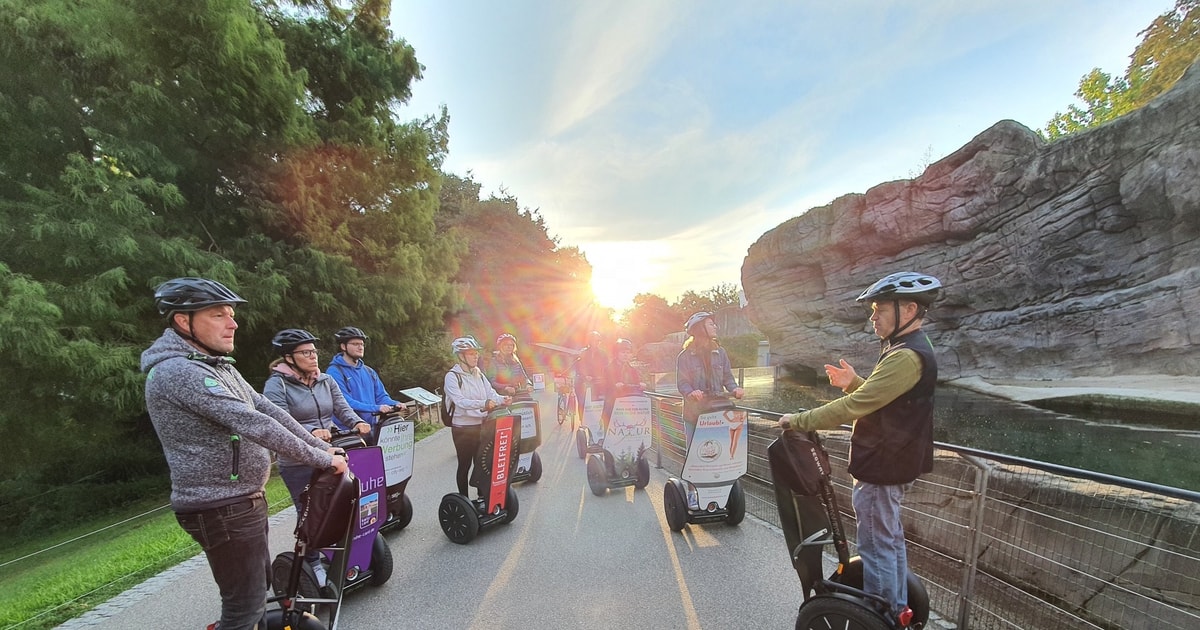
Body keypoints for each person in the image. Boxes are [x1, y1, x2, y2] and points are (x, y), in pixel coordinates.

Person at [142, 278, 347, 630]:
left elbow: (269, 410)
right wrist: (323, 460)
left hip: (240, 500)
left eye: (232, 314)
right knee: (243, 608)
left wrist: (322, 447)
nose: (232, 322)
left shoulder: (218, 366)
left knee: (254, 594)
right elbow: (253, 423)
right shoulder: (180, 372)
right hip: (221, 506)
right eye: (218, 314)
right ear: (182, 321)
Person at [777, 271, 941, 624]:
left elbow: (855, 408)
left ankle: (884, 616)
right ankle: (898, 609)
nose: (873, 316)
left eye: (881, 309)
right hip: (895, 462)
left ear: (909, 308)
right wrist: (854, 383)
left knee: (877, 548)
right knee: (890, 543)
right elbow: (881, 402)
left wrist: (799, 419)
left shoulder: (906, 355)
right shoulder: (907, 349)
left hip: (883, 466)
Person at [263, 328, 370, 591]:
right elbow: (279, 421)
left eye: (314, 351)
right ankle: (314, 563)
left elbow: (341, 407)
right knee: (311, 513)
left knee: (341, 505)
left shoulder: (324, 380)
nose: (313, 357)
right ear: (288, 357)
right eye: (306, 352)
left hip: (331, 454)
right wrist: (311, 432)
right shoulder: (276, 385)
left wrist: (356, 421)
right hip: (298, 460)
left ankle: (342, 553)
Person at [445, 336, 511, 496]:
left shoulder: (478, 374)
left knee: (482, 463)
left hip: (481, 425)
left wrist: (503, 399)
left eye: (476, 353)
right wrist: (483, 404)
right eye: (471, 354)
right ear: (461, 356)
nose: (476, 356)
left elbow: (491, 393)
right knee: (465, 465)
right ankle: (464, 500)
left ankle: (482, 497)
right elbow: (460, 402)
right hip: (462, 429)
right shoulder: (452, 377)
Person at [676, 311, 744, 443]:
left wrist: (735, 388)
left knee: (717, 452)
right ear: (700, 328)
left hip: (717, 413)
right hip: (695, 414)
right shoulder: (684, 356)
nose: (715, 327)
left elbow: (727, 377)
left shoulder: (720, 352)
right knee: (694, 454)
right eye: (711, 324)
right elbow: (682, 383)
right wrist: (691, 392)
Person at [326, 326, 409, 431]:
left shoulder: (369, 371)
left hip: (371, 428)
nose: (360, 347)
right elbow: (345, 402)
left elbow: (381, 397)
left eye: (362, 344)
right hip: (349, 431)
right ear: (343, 346)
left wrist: (394, 403)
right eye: (355, 344)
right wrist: (376, 408)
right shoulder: (334, 372)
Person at [601, 338, 647, 433]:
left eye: (628, 352)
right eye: (623, 352)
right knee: (612, 429)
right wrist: (614, 385)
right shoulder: (609, 369)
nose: (626, 355)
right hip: (613, 404)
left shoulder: (633, 370)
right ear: (616, 353)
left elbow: (637, 383)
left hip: (628, 406)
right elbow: (604, 386)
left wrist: (641, 385)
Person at [485, 333, 533, 401]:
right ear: (500, 346)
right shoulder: (494, 362)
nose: (509, 347)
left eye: (511, 345)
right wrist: (506, 387)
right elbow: (491, 383)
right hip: (501, 397)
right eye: (506, 345)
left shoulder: (516, 361)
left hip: (517, 394)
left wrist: (528, 385)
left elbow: (524, 377)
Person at [573, 330, 609, 418]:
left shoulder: (603, 353)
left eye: (598, 340)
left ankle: (597, 420)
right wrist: (585, 375)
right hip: (583, 381)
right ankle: (582, 421)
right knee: (582, 401)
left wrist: (603, 376)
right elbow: (579, 366)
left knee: (599, 402)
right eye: (594, 340)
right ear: (589, 341)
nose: (596, 342)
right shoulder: (583, 353)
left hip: (597, 381)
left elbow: (607, 367)